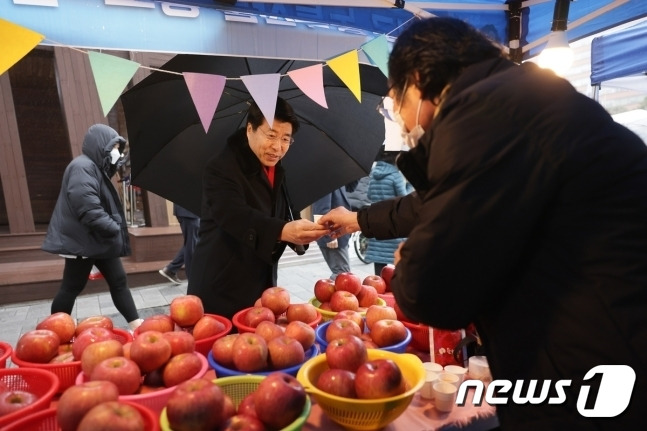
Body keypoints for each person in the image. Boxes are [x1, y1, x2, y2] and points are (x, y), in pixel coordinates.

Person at [319, 17, 647, 429]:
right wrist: (359, 219)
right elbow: (446, 202)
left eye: (394, 101)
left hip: (594, 362)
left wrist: (410, 259)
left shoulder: (482, 112)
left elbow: (432, 292)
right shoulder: (522, 103)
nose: (400, 119)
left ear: (418, 80)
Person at [187, 98, 328, 319]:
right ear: (250, 129)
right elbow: (233, 215)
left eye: (285, 139)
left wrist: (307, 231)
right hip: (222, 282)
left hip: (261, 282)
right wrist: (283, 231)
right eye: (271, 135)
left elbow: (282, 211)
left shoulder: (275, 166)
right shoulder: (221, 167)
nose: (277, 147)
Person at [42, 124, 143, 331]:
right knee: (72, 287)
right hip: (84, 241)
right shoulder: (83, 167)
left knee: (119, 280)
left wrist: (111, 229)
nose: (117, 151)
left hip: (97, 238)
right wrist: (114, 228)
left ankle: (137, 325)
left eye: (118, 147)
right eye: (113, 146)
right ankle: (53, 332)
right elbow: (88, 209)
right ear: (101, 146)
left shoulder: (95, 168)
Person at [365, 148, 412, 275]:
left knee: (379, 272)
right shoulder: (395, 176)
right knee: (396, 269)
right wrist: (409, 186)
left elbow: (369, 195)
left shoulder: (374, 174)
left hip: (376, 224)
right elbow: (404, 199)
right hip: (392, 225)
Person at [310, 187, 353, 280]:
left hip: (340, 234)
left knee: (343, 274)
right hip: (333, 236)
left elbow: (351, 188)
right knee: (342, 274)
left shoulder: (337, 177)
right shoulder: (325, 178)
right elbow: (321, 211)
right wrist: (329, 236)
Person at [159, 203, 200, 284]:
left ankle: (171, 269)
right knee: (191, 245)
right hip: (189, 213)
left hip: (188, 212)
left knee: (191, 243)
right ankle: (193, 280)